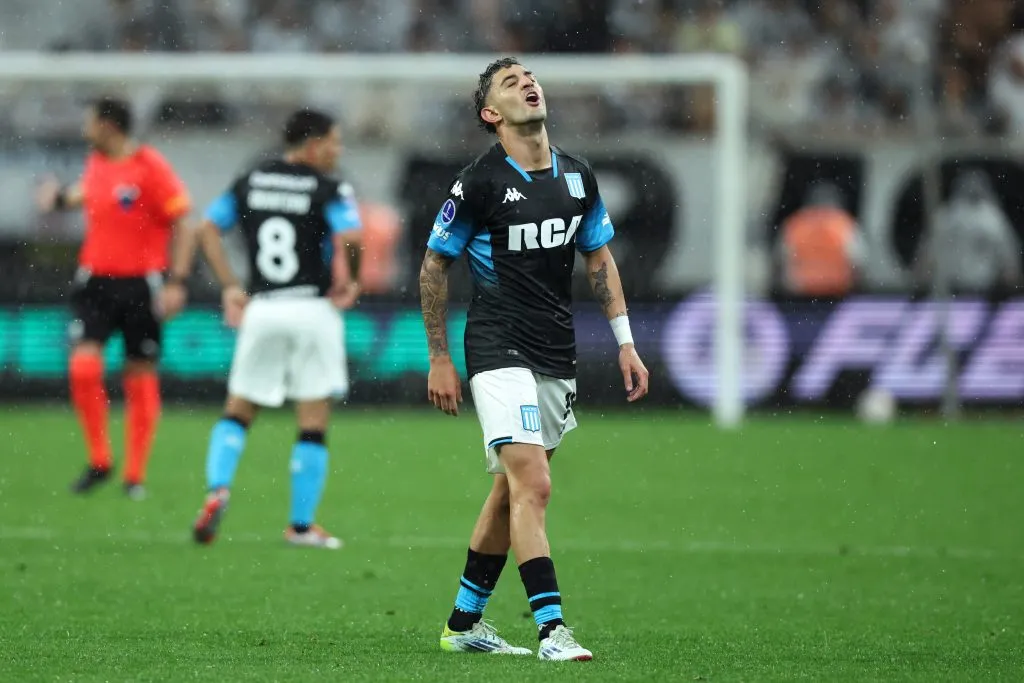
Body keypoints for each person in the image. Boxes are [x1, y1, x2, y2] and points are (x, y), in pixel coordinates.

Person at [419, 57, 649, 661]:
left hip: (555, 352)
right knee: (535, 483)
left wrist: (625, 341)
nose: (527, 83)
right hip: (497, 347)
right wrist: (439, 357)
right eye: (509, 82)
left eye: (530, 76)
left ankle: (463, 624)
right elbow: (434, 265)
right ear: (492, 114)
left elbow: (598, 260)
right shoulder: (479, 183)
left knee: (510, 491)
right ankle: (552, 631)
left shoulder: (577, 177)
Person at [179, 109, 361, 549]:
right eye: (334, 142)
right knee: (312, 422)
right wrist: (351, 278)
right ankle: (300, 526)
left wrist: (229, 286)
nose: (337, 151)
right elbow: (352, 237)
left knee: (238, 411)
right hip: (311, 309)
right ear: (313, 143)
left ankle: (217, 488)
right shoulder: (328, 187)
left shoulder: (252, 179)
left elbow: (205, 229)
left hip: (263, 308)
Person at [37, 97, 193, 501]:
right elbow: (85, 194)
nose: (85, 130)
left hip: (142, 284)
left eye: (90, 123)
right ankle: (101, 460)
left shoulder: (150, 166)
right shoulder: (96, 163)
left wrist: (176, 281)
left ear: (109, 125)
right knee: (84, 368)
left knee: (139, 374)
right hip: (96, 283)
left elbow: (183, 222)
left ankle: (134, 475)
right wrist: (56, 199)